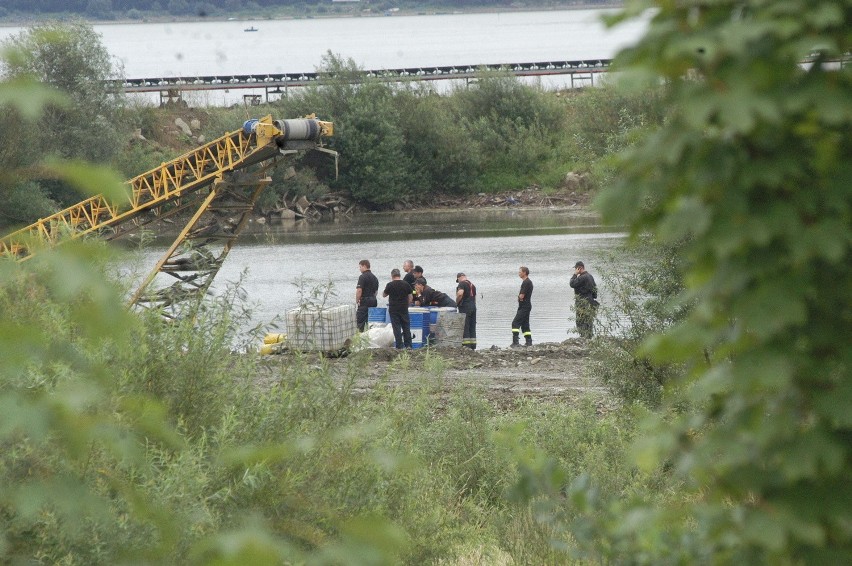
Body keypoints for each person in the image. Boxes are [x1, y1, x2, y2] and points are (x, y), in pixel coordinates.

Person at [383, 268, 413, 349]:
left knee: (396, 328)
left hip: (393, 309)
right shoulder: (406, 284)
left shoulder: (390, 285)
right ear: (399, 275)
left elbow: (384, 295)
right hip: (404, 308)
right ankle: (408, 345)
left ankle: (399, 346)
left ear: (392, 276)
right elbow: (410, 297)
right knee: (406, 326)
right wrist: (408, 304)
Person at [569, 261, 599, 339]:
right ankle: (589, 338)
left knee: (581, 321)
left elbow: (572, 284)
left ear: (580, 268)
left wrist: (575, 275)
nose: (575, 270)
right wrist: (592, 298)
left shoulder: (582, 277)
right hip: (590, 301)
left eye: (576, 268)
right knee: (588, 321)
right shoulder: (590, 276)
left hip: (582, 303)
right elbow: (595, 291)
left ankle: (583, 338)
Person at [511, 266, 533, 347]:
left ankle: (515, 342)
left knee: (515, 323)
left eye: (520, 272)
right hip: (526, 306)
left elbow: (522, 296)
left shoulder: (526, 282)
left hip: (524, 306)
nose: (519, 273)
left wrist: (518, 297)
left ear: (524, 273)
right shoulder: (528, 282)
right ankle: (529, 342)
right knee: (525, 324)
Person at [355, 259, 379, 331]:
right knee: (371, 321)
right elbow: (376, 292)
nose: (359, 269)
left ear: (364, 266)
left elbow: (359, 290)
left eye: (360, 267)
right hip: (373, 301)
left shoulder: (362, 277)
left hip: (364, 301)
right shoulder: (375, 278)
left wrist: (357, 300)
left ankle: (361, 337)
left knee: (361, 321)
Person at [455, 272, 477, 349]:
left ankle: (466, 346)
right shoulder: (472, 285)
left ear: (459, 278)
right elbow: (475, 299)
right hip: (473, 307)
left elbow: (460, 294)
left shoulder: (461, 284)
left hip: (465, 307)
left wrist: (456, 302)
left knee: (465, 326)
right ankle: (473, 346)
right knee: (472, 326)